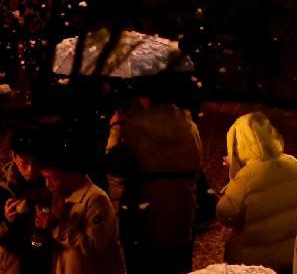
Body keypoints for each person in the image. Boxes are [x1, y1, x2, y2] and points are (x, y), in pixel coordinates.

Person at [105, 82, 205, 274]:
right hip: (181, 220)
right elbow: (196, 167)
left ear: (146, 96)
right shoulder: (190, 127)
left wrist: (116, 129)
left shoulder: (133, 129)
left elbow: (115, 165)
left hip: (144, 223)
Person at [216, 114, 297, 271]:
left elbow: (225, 215)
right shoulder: (296, 165)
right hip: (295, 255)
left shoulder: (245, 179)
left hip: (256, 263)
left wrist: (234, 179)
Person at [36, 146, 125, 274]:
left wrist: (57, 226)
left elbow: (93, 247)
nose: (47, 184)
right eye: (45, 178)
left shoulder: (96, 199)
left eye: (53, 178)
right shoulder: (60, 197)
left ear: (72, 174)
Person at [0, 133, 47, 274]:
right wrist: (7, 222)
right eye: (24, 163)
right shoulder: (3, 188)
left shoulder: (52, 182)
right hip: (13, 266)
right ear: (13, 156)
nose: (31, 170)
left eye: (36, 163)